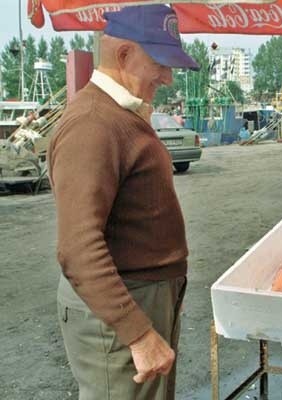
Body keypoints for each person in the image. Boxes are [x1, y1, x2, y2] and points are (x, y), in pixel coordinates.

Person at [48, 5, 199, 400]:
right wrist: (137, 330)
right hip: (122, 305)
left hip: (142, 295)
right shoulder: (93, 124)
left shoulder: (120, 115)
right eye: (161, 64)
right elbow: (78, 248)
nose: (167, 78)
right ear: (125, 55)